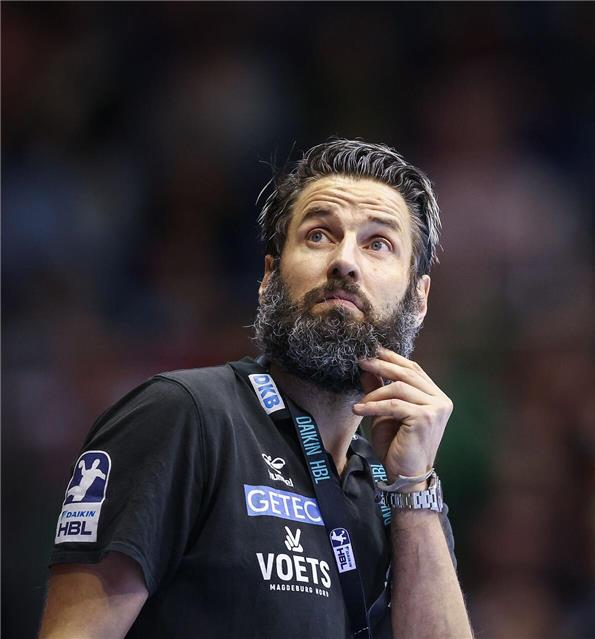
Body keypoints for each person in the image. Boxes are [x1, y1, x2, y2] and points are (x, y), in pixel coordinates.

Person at [38, 139, 474, 639]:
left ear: (419, 299)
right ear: (269, 277)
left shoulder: (399, 492)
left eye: (378, 244)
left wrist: (413, 490)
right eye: (318, 235)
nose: (344, 262)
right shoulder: (184, 416)